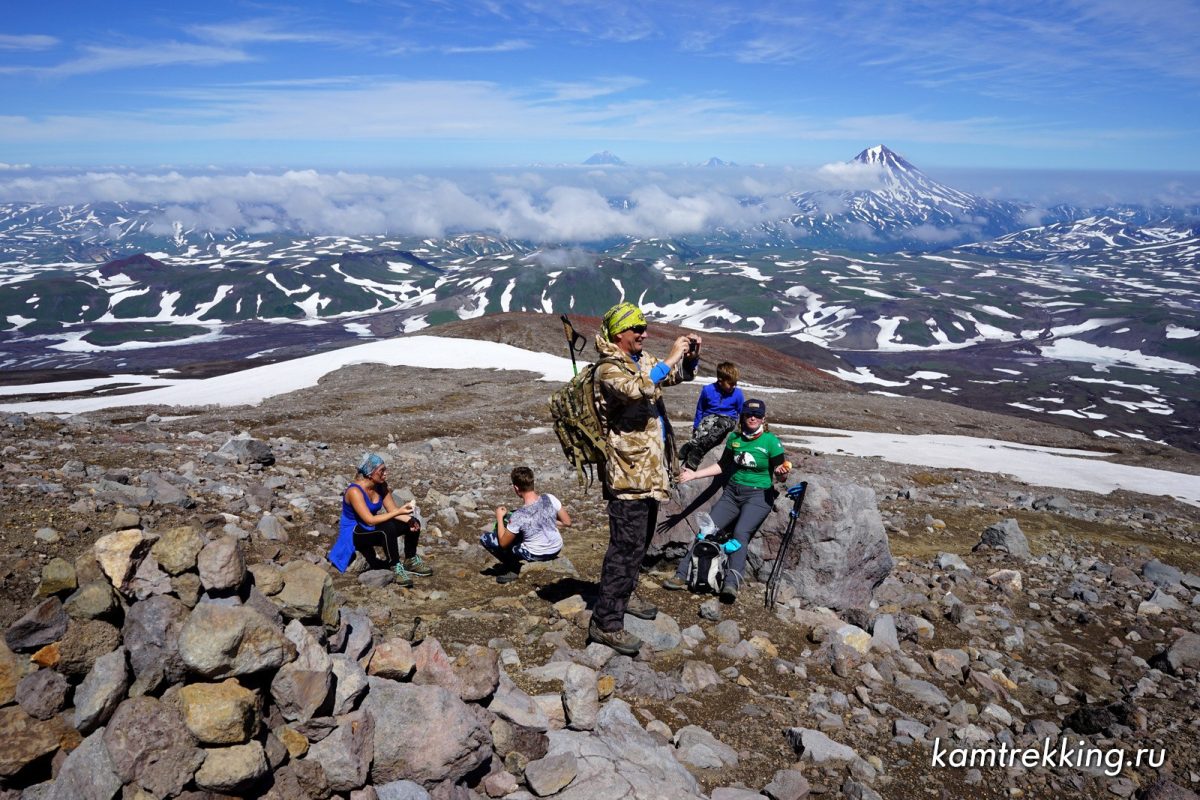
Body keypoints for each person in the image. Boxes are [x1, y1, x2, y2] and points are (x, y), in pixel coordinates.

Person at [588, 301, 700, 656]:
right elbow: (638, 389)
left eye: (645, 328)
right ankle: (605, 622)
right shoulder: (608, 370)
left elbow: (673, 377)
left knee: (640, 542)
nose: (644, 334)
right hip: (627, 474)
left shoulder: (643, 360)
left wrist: (690, 358)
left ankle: (625, 594)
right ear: (620, 333)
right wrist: (669, 356)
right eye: (637, 330)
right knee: (624, 547)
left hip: (649, 472)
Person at [663, 398, 791, 603]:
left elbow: (780, 473)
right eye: (749, 414)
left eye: (757, 415)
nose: (752, 417)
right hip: (732, 493)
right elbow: (723, 465)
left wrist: (781, 473)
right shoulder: (734, 438)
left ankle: (731, 584)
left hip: (758, 495)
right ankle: (682, 575)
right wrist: (694, 475)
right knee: (707, 530)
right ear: (742, 416)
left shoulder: (771, 442)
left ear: (763, 418)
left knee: (741, 533)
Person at [328, 453, 433, 586]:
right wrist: (399, 512)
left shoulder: (381, 486)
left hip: (369, 527)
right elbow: (370, 520)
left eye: (385, 470)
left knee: (412, 523)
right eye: (381, 471)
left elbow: (393, 511)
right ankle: (395, 565)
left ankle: (410, 560)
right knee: (387, 527)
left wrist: (408, 519)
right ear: (370, 473)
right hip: (354, 532)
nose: (385, 474)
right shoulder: (355, 491)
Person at [480, 466, 572, 584]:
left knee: (487, 538)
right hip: (556, 548)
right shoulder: (549, 498)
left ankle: (513, 568)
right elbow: (567, 522)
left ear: (516, 488)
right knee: (522, 531)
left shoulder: (519, 515)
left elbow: (503, 543)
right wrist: (545, 519)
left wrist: (499, 516)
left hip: (536, 553)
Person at [678, 361, 745, 470]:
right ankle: (691, 445)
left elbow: (742, 412)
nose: (734, 386)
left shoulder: (738, 394)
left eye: (735, 383)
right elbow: (700, 409)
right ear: (720, 380)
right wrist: (696, 427)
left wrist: (742, 432)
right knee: (706, 426)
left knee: (721, 422)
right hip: (709, 419)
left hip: (728, 419)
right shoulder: (708, 390)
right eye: (731, 383)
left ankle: (697, 452)